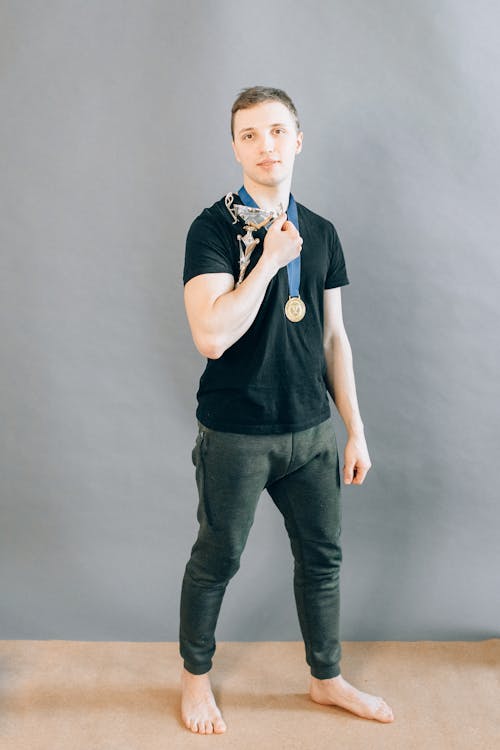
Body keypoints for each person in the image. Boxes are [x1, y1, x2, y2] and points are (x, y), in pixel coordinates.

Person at [179, 86, 394, 734]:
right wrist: (269, 261)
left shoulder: (322, 232)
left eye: (277, 131)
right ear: (235, 146)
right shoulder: (212, 228)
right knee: (217, 559)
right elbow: (211, 335)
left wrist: (354, 430)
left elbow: (334, 339)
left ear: (297, 140)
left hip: (313, 432)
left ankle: (326, 679)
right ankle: (194, 681)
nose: (265, 145)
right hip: (238, 433)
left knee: (322, 557)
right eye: (249, 134)